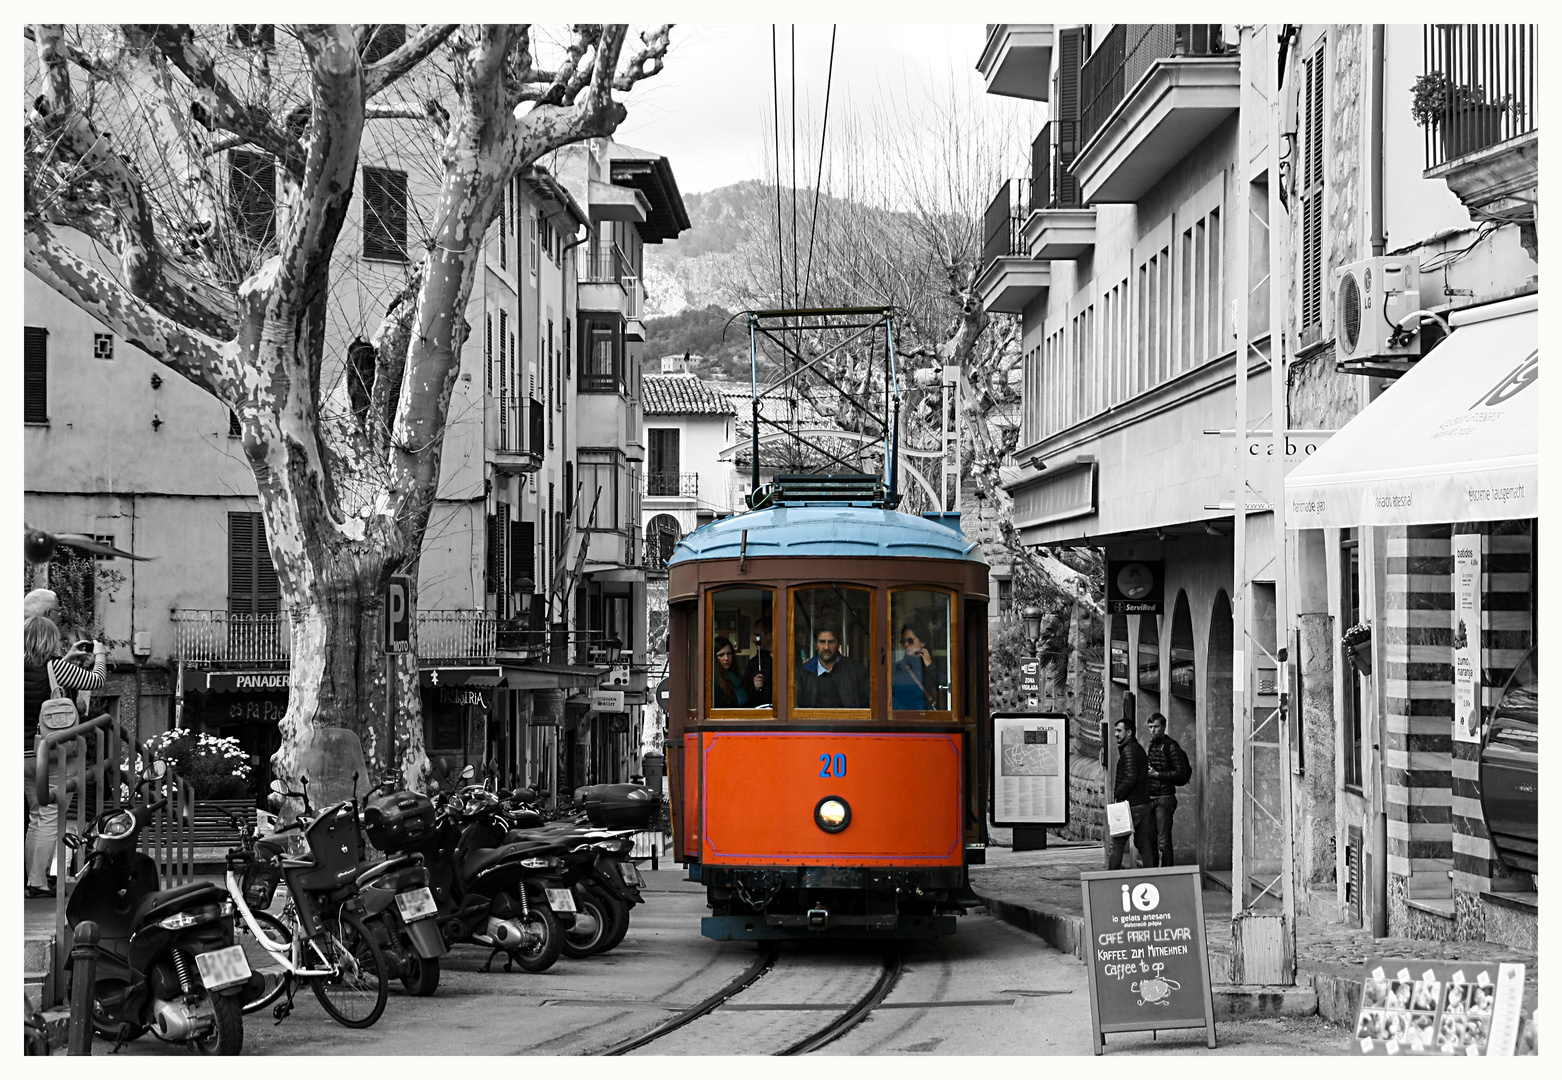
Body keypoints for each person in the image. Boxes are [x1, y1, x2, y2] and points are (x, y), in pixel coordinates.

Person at [23, 615, 106, 897]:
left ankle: (35, 878)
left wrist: (69, 657)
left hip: (22, 755)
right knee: (49, 816)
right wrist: (101, 653)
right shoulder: (56, 668)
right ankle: (38, 883)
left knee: (36, 816)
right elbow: (97, 680)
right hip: (53, 755)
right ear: (50, 640)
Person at [1107, 717, 1155, 871]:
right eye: (1115, 731)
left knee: (1117, 844)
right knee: (1143, 843)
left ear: (1129, 732)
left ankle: (1109, 879)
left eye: (1119, 731)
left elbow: (1131, 777)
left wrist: (1118, 795)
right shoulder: (1136, 748)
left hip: (1132, 804)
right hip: (1142, 803)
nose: (1115, 734)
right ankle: (1152, 875)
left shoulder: (1129, 751)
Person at [1145, 712, 1192, 866]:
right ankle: (1152, 873)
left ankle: (1167, 874)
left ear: (1164, 727)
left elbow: (1180, 773)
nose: (1153, 730)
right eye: (1150, 727)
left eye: (1156, 727)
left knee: (1163, 842)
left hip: (1164, 798)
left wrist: (1157, 774)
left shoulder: (1171, 746)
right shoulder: (1152, 744)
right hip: (1150, 797)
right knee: (1149, 839)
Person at [795, 628, 869, 709]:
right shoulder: (803, 673)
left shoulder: (856, 671)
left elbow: (867, 707)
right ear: (816, 645)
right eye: (822, 642)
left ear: (838, 644)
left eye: (831, 642)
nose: (826, 647)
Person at [891, 622, 946, 710]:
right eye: (903, 641)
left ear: (922, 642)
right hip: (904, 718)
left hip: (928, 718)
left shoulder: (933, 664)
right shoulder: (897, 667)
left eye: (910, 641)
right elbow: (889, 696)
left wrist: (930, 667)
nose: (905, 645)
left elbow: (946, 687)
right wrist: (906, 712)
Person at [711, 636, 748, 708]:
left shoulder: (735, 676)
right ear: (714, 658)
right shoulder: (715, 680)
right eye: (721, 655)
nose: (726, 658)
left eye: (729, 653)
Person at [743, 622, 773, 706]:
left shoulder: (787, 660)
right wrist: (754, 688)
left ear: (770, 635)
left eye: (758, 636)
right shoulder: (753, 663)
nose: (754, 640)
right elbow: (745, 693)